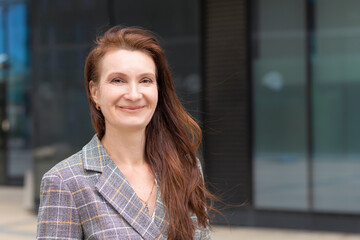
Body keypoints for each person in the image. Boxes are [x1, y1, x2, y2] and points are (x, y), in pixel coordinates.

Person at [36, 25, 213, 240]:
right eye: (118, 80)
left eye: (145, 80)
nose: (134, 94)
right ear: (95, 93)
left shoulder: (185, 167)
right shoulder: (65, 182)